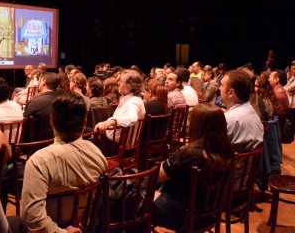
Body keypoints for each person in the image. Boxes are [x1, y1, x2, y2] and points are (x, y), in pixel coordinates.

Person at [21, 92, 107, 233]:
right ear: (85, 122)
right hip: (86, 225)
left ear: (51, 121)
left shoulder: (39, 162)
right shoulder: (97, 154)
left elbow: (32, 217)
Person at [151, 103, 235, 231]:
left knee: (134, 209)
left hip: (181, 214)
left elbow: (155, 177)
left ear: (198, 125)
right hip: (210, 212)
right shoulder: (227, 151)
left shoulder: (190, 153)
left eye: (191, 119)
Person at [94, 69, 146, 142]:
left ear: (130, 86)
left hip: (114, 146)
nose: (118, 83)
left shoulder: (133, 102)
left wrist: (109, 122)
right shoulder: (133, 99)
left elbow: (132, 118)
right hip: (111, 139)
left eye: (121, 81)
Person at [219, 69, 264, 152]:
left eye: (221, 85)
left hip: (230, 163)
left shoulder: (228, 119)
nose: (219, 88)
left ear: (231, 93)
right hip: (244, 163)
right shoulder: (252, 112)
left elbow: (213, 149)